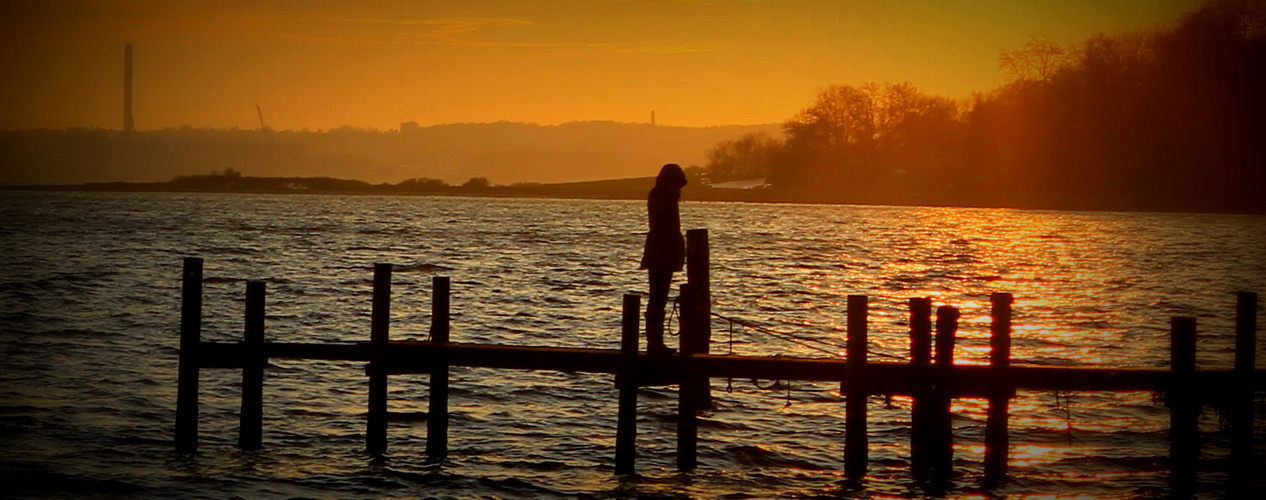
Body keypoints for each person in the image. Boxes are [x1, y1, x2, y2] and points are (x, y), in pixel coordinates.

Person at [640, 163, 687, 354]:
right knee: (657, 298)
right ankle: (654, 343)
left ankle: (655, 342)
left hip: (662, 251)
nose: (678, 188)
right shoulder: (662, 196)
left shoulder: (660, 195)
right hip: (661, 252)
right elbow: (666, 227)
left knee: (659, 298)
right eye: (676, 183)